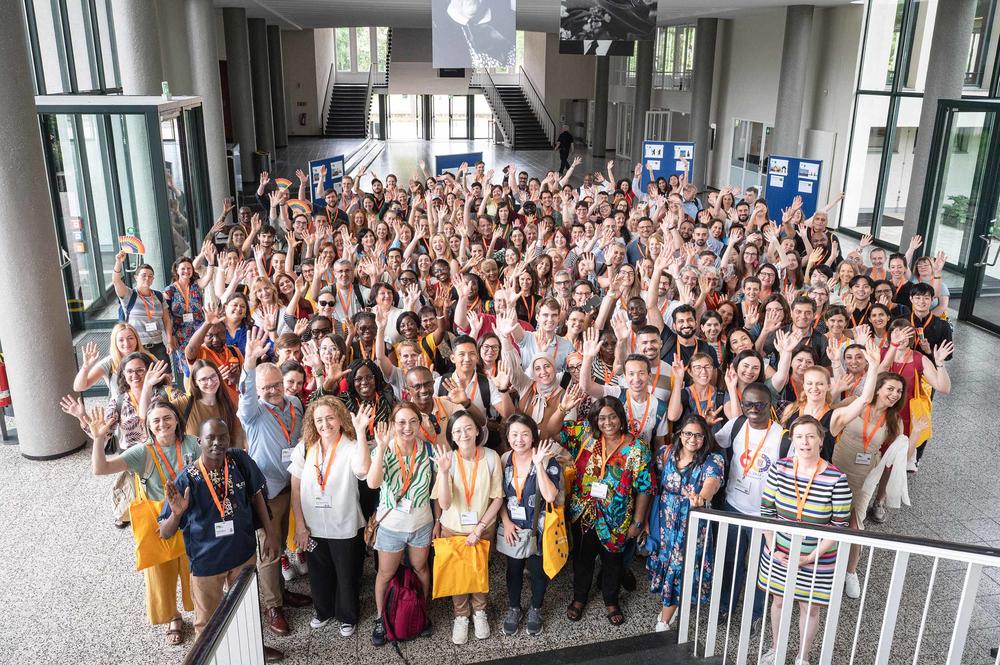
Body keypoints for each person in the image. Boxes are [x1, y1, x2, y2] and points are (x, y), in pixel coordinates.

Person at [157, 418, 285, 663]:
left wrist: (270, 533)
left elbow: (257, 495)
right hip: (207, 562)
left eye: (222, 437)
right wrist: (176, 513)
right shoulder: (187, 479)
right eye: (210, 438)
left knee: (246, 609)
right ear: (199, 442)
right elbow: (164, 532)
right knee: (207, 620)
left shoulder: (238, 460)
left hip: (242, 551)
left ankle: (253, 648)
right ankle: (211, 658)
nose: (217, 443)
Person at [85, 400, 200, 645]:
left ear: (177, 420)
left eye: (167, 418)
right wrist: (98, 439)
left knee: (195, 569)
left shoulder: (191, 444)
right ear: (148, 425)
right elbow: (100, 468)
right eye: (156, 420)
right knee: (160, 574)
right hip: (159, 522)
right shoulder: (142, 452)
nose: (162, 424)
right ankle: (172, 617)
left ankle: (201, 611)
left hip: (191, 518)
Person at [757, 416, 852, 665]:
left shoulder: (837, 479)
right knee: (778, 601)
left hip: (817, 557)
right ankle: (776, 648)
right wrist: (772, 548)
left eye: (811, 436)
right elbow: (766, 512)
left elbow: (839, 527)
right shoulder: (780, 468)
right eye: (799, 436)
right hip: (779, 551)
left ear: (821, 440)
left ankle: (803, 656)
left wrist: (810, 557)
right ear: (793, 440)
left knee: (809, 607)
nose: (805, 442)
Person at [237, 327, 312, 636]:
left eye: (277, 384)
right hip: (265, 493)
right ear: (258, 389)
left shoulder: (294, 404)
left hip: (289, 487)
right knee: (269, 550)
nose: (273, 391)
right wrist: (249, 363)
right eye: (266, 387)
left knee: (280, 543)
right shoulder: (253, 412)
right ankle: (272, 606)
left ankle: (281, 594)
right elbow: (245, 394)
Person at [560, 396, 652, 627]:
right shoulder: (584, 435)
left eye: (612, 416)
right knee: (582, 559)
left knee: (613, 561)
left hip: (618, 517)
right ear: (594, 419)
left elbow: (645, 487)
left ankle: (611, 600)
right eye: (601, 418)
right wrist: (562, 408)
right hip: (584, 513)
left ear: (621, 417)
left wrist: (638, 522)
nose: (607, 422)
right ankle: (580, 598)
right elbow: (549, 432)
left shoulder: (636, 447)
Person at [289, 398, 373, 636]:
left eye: (330, 418)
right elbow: (295, 488)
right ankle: (323, 611)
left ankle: (347, 616)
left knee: (346, 573)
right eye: (319, 420)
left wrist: (360, 431)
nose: (325, 424)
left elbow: (363, 470)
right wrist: (300, 525)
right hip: (313, 526)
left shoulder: (351, 446)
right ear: (312, 424)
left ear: (340, 419)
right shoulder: (305, 447)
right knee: (318, 571)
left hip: (344, 525)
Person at [364, 402, 436, 647]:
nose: (407, 427)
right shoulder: (384, 449)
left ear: (420, 423)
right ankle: (380, 618)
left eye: (413, 421)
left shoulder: (428, 450)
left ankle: (420, 610)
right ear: (393, 425)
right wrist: (382, 447)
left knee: (421, 568)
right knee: (385, 573)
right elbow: (373, 484)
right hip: (391, 525)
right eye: (401, 422)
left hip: (421, 522)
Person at [431, 411, 504, 645]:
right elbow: (444, 503)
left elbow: (498, 498)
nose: (463, 434)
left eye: (468, 428)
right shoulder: (448, 460)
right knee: (457, 576)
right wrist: (442, 473)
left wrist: (480, 527)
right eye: (457, 430)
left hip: (482, 529)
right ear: (452, 436)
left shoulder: (492, 457)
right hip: (452, 528)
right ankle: (461, 616)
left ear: (477, 430)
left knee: (479, 572)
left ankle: (480, 612)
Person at [646, 415, 724, 631]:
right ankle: (676, 602)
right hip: (664, 520)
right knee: (667, 562)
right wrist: (646, 519)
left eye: (699, 435)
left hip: (691, 523)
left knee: (679, 566)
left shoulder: (713, 460)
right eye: (688, 433)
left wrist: (702, 497)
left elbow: (713, 481)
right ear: (680, 434)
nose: (693, 439)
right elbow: (655, 485)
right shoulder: (666, 453)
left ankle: (664, 620)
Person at [498, 414, 562, 636]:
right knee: (513, 570)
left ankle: (536, 608)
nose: (519, 439)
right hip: (513, 527)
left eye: (525, 434)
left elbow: (550, 496)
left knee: (537, 571)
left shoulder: (546, 459)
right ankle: (514, 608)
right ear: (507, 436)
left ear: (533, 436)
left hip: (539, 528)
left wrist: (539, 466)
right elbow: (499, 498)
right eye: (514, 434)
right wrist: (505, 522)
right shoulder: (505, 458)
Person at [112, 250, 173, 365]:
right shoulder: (129, 295)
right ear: (136, 277)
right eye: (143, 275)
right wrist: (119, 263)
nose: (147, 278)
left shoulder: (159, 296)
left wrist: (169, 341)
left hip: (158, 345)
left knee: (165, 377)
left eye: (150, 276)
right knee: (140, 376)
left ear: (153, 279)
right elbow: (116, 281)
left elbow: (166, 320)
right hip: (137, 346)